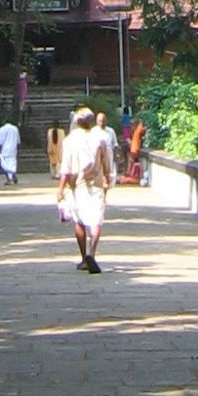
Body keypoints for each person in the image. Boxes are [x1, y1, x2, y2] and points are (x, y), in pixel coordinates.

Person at [57, 108, 112, 274]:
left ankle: (83, 259)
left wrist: (60, 189)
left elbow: (65, 168)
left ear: (76, 122)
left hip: (77, 184)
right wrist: (107, 178)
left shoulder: (69, 141)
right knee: (96, 220)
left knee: (79, 221)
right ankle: (92, 253)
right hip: (96, 183)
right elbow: (107, 165)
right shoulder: (100, 138)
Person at [95, 112, 118, 186]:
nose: (101, 123)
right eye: (100, 121)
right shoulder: (93, 131)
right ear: (97, 121)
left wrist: (116, 155)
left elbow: (115, 144)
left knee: (108, 173)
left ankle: (106, 187)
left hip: (108, 154)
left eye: (103, 121)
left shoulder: (111, 131)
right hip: (97, 154)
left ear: (106, 121)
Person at [0, 119, 20, 184]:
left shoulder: (2, 129)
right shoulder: (15, 129)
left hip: (5, 150)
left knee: (5, 165)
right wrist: (18, 149)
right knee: (13, 164)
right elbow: (18, 141)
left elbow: (0, 141)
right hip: (13, 149)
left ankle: (8, 179)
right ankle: (14, 175)